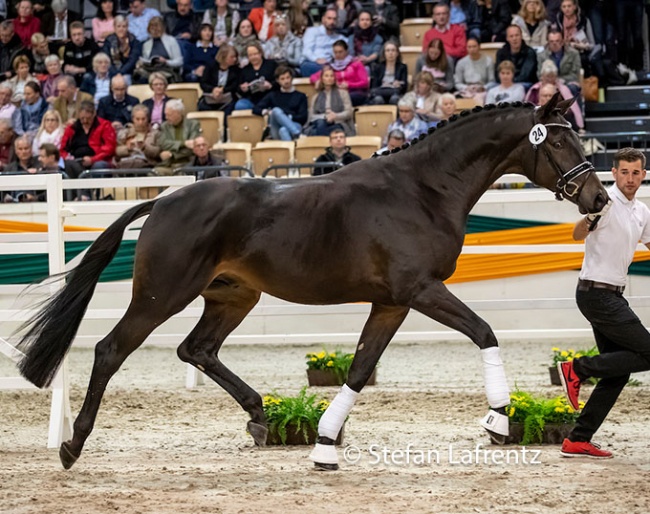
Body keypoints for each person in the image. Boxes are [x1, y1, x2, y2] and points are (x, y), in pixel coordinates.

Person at [557, 147, 650, 459]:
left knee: (617, 373)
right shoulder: (603, 202)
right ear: (614, 173)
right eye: (624, 172)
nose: (630, 178)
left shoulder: (642, 211)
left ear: (643, 175)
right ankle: (577, 369)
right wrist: (590, 218)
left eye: (636, 172)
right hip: (595, 294)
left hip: (612, 296)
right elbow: (576, 233)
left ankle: (577, 439)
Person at [60, 100, 117, 185]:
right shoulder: (72, 128)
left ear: (94, 114)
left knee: (99, 166)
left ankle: (88, 193)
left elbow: (109, 148)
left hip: (98, 159)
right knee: (68, 165)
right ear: (78, 114)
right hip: (76, 160)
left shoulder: (104, 125)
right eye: (82, 118)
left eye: (88, 118)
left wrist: (92, 159)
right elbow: (62, 149)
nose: (85, 121)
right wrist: (68, 157)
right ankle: (77, 194)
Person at [524, 59, 583, 131]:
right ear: (542, 76)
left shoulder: (563, 89)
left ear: (556, 76)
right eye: (547, 76)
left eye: (552, 76)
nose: (549, 79)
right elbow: (528, 108)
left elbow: (572, 108)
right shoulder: (534, 89)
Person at [252, 65, 307, 141]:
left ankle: (290, 151)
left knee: (283, 130)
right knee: (276, 110)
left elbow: (303, 117)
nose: (286, 81)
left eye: (288, 77)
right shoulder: (273, 95)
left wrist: (287, 117)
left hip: (294, 123)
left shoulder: (300, 96)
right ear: (278, 80)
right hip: (276, 128)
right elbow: (255, 109)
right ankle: (297, 134)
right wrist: (266, 112)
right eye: (282, 79)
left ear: (291, 78)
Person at [310, 39, 368, 107]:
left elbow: (365, 82)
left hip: (354, 92)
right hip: (336, 93)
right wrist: (317, 81)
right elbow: (313, 77)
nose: (338, 55)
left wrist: (349, 85)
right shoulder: (331, 66)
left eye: (340, 52)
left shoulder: (356, 64)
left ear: (346, 51)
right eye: (335, 52)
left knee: (344, 98)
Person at [304, 63, 354, 136]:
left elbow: (349, 112)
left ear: (334, 78)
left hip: (338, 122)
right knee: (321, 123)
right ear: (322, 78)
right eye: (326, 76)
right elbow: (311, 116)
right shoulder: (316, 97)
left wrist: (335, 116)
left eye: (331, 76)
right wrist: (325, 117)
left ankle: (321, 140)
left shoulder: (343, 93)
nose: (329, 78)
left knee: (317, 132)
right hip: (320, 123)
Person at [156, 98, 200, 174]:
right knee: (154, 173)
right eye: (165, 114)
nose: (166, 117)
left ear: (178, 113)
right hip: (169, 164)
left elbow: (192, 148)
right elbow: (163, 143)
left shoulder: (193, 125)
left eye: (169, 115)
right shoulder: (164, 126)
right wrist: (183, 143)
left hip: (187, 164)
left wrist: (172, 154)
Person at [134, 16, 183, 84]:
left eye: (157, 28)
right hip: (151, 70)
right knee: (138, 72)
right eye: (152, 28)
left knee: (158, 76)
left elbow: (179, 61)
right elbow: (146, 61)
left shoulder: (171, 41)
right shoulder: (146, 44)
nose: (154, 31)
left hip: (167, 70)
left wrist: (166, 61)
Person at [299, 7, 345, 77]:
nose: (332, 22)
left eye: (334, 19)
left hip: (330, 64)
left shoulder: (339, 37)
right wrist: (316, 59)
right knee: (307, 67)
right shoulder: (312, 31)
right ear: (323, 19)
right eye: (329, 18)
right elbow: (306, 51)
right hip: (312, 62)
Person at [537, 29, 581, 96]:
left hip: (567, 83)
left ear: (562, 41)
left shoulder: (573, 54)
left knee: (573, 88)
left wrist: (561, 80)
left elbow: (575, 74)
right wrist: (552, 81)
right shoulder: (542, 56)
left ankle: (573, 106)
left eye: (557, 41)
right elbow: (539, 74)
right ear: (548, 42)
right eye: (551, 41)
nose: (554, 43)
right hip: (548, 83)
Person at [114, 103, 160, 168]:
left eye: (143, 119)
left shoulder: (155, 133)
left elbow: (158, 152)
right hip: (126, 163)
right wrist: (127, 148)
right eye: (137, 119)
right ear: (133, 119)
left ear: (148, 119)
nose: (140, 122)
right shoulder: (125, 132)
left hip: (147, 164)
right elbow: (116, 151)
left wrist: (144, 147)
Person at [234, 41, 276, 110]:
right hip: (252, 99)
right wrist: (243, 89)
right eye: (250, 55)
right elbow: (239, 88)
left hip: (269, 97)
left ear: (260, 53)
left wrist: (270, 85)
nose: (253, 57)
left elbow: (279, 81)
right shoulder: (245, 70)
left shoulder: (271, 65)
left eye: (255, 54)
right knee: (240, 105)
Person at [198, 44, 239, 113]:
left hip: (227, 98)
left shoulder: (235, 69)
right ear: (223, 57)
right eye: (232, 57)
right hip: (211, 97)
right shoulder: (210, 66)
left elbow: (235, 85)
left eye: (235, 57)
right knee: (203, 107)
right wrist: (213, 89)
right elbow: (203, 83)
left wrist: (222, 90)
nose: (234, 59)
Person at [454, 36, 495, 103]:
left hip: (482, 90)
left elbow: (492, 81)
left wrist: (483, 87)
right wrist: (466, 88)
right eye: (469, 47)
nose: (472, 49)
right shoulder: (461, 63)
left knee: (480, 99)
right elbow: (457, 83)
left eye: (474, 46)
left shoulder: (488, 61)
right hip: (467, 90)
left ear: (479, 47)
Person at [103, 16, 143, 85]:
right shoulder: (108, 41)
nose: (121, 29)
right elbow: (107, 59)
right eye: (118, 26)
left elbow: (132, 61)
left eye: (124, 26)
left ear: (127, 27)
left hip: (129, 72)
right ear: (114, 28)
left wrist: (120, 73)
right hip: (111, 72)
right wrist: (115, 73)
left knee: (125, 79)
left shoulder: (134, 41)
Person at [368, 39, 407, 106]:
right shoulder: (377, 67)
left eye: (393, 50)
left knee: (394, 99)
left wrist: (399, 84)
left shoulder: (402, 67)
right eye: (388, 50)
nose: (390, 53)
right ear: (384, 53)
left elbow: (405, 85)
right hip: (380, 92)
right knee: (378, 99)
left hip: (395, 92)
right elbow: (373, 86)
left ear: (397, 53)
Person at [63, 21, 99, 86]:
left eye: (79, 34)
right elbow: (66, 62)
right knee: (66, 79)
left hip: (88, 73)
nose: (77, 38)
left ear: (84, 34)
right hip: (73, 74)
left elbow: (95, 66)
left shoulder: (93, 45)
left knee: (87, 77)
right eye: (74, 35)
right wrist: (66, 67)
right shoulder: (68, 46)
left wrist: (79, 70)